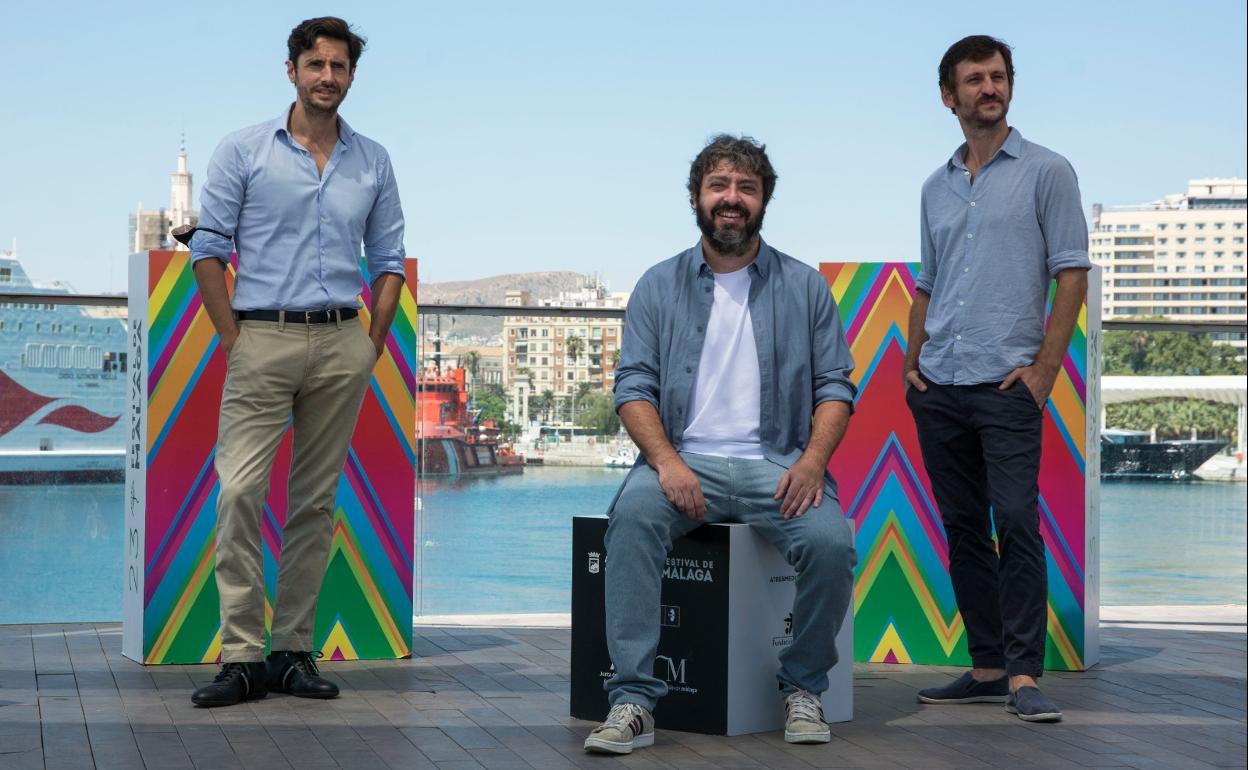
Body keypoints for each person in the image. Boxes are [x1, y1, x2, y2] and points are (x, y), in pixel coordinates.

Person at [583, 135, 857, 754]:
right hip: (684, 460)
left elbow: (835, 388)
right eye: (719, 187)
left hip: (777, 464)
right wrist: (667, 462)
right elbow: (633, 388)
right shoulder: (658, 285)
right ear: (697, 198)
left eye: (746, 188)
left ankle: (804, 687)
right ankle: (633, 699)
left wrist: (813, 463)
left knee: (831, 543)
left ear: (763, 200)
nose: (731, 199)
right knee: (630, 520)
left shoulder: (805, 287)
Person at [187, 16, 406, 707]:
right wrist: (235, 340)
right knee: (240, 495)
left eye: (339, 68)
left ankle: (291, 653)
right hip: (262, 338)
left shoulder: (373, 161)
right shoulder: (243, 151)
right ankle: (242, 658)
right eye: (316, 65)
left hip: (343, 342)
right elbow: (208, 252)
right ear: (291, 71)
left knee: (315, 502)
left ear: (351, 76)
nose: (328, 78)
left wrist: (368, 346)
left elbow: (390, 261)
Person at [905, 35, 1091, 723]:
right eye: (976, 79)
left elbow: (1071, 273)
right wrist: (909, 360)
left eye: (1000, 76)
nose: (992, 87)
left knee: (1015, 521)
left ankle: (1022, 675)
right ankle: (986, 666)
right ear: (949, 97)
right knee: (960, 526)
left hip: (1008, 384)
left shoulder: (1049, 172)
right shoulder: (935, 187)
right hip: (940, 383)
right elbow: (927, 282)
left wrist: (1046, 369)